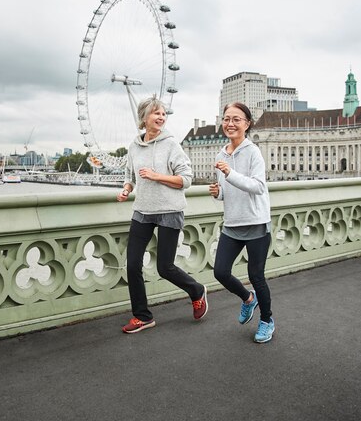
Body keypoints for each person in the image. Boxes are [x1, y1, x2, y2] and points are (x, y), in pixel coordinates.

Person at [117, 95, 208, 333]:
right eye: (156, 113)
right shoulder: (134, 146)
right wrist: (127, 189)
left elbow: (186, 180)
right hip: (142, 211)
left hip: (169, 210)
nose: (161, 117)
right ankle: (142, 316)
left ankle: (196, 290)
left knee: (164, 267)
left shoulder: (171, 145)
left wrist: (158, 176)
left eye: (163, 113)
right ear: (144, 118)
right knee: (132, 264)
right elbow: (130, 176)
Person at [209, 102, 275, 343]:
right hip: (232, 223)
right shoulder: (220, 154)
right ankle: (248, 299)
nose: (230, 123)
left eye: (236, 119)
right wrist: (218, 192)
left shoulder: (254, 152)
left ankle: (267, 320)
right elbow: (227, 192)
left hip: (256, 223)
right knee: (220, 272)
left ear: (247, 124)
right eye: (227, 119)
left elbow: (258, 187)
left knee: (256, 276)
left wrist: (229, 174)